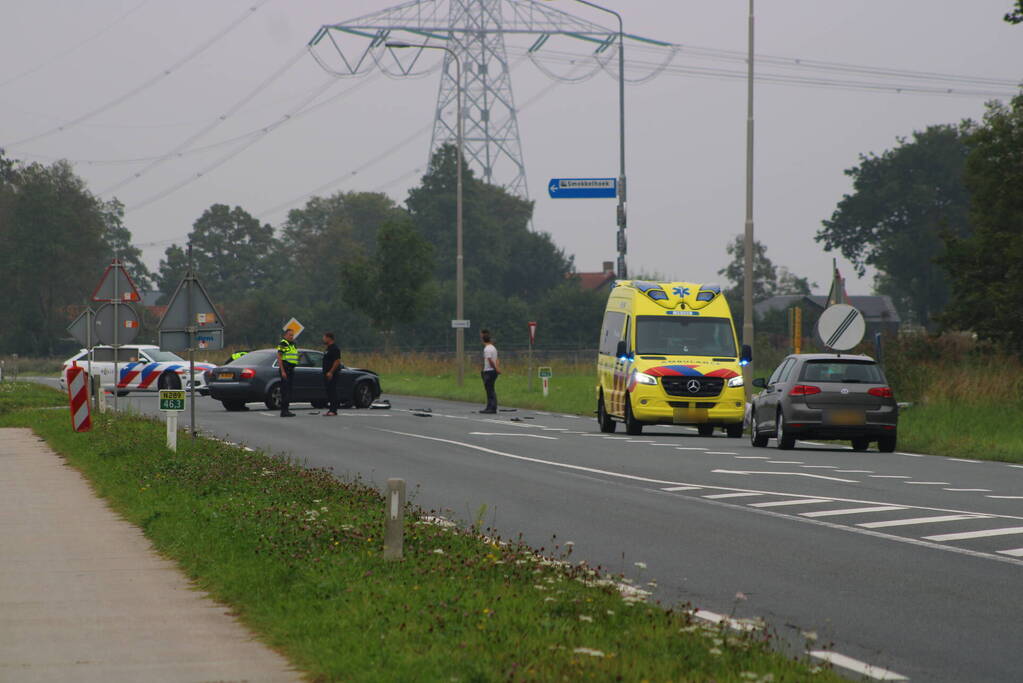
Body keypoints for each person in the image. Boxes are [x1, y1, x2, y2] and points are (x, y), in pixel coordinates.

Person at [276, 328, 298, 417]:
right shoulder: (283, 343)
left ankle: (286, 410)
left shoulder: (293, 344)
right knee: (285, 390)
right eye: (290, 335)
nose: (291, 337)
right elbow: (279, 357)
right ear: (285, 335)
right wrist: (282, 371)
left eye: (292, 335)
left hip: (291, 369)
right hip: (285, 368)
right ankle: (284, 411)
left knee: (289, 390)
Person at [479, 329, 500, 414]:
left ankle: (492, 408)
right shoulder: (493, 348)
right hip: (492, 371)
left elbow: (490, 360)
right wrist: (497, 368)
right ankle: (489, 407)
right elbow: (497, 359)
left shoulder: (487, 349)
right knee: (491, 389)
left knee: (489, 390)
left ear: (483, 340)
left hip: (489, 371)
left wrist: (495, 369)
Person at [321, 331, 341, 416]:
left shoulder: (334, 348)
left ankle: (334, 410)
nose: (323, 339)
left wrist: (331, 372)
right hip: (326, 373)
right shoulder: (328, 348)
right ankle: (330, 409)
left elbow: (337, 361)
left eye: (324, 337)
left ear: (329, 338)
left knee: (332, 391)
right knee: (329, 391)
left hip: (332, 373)